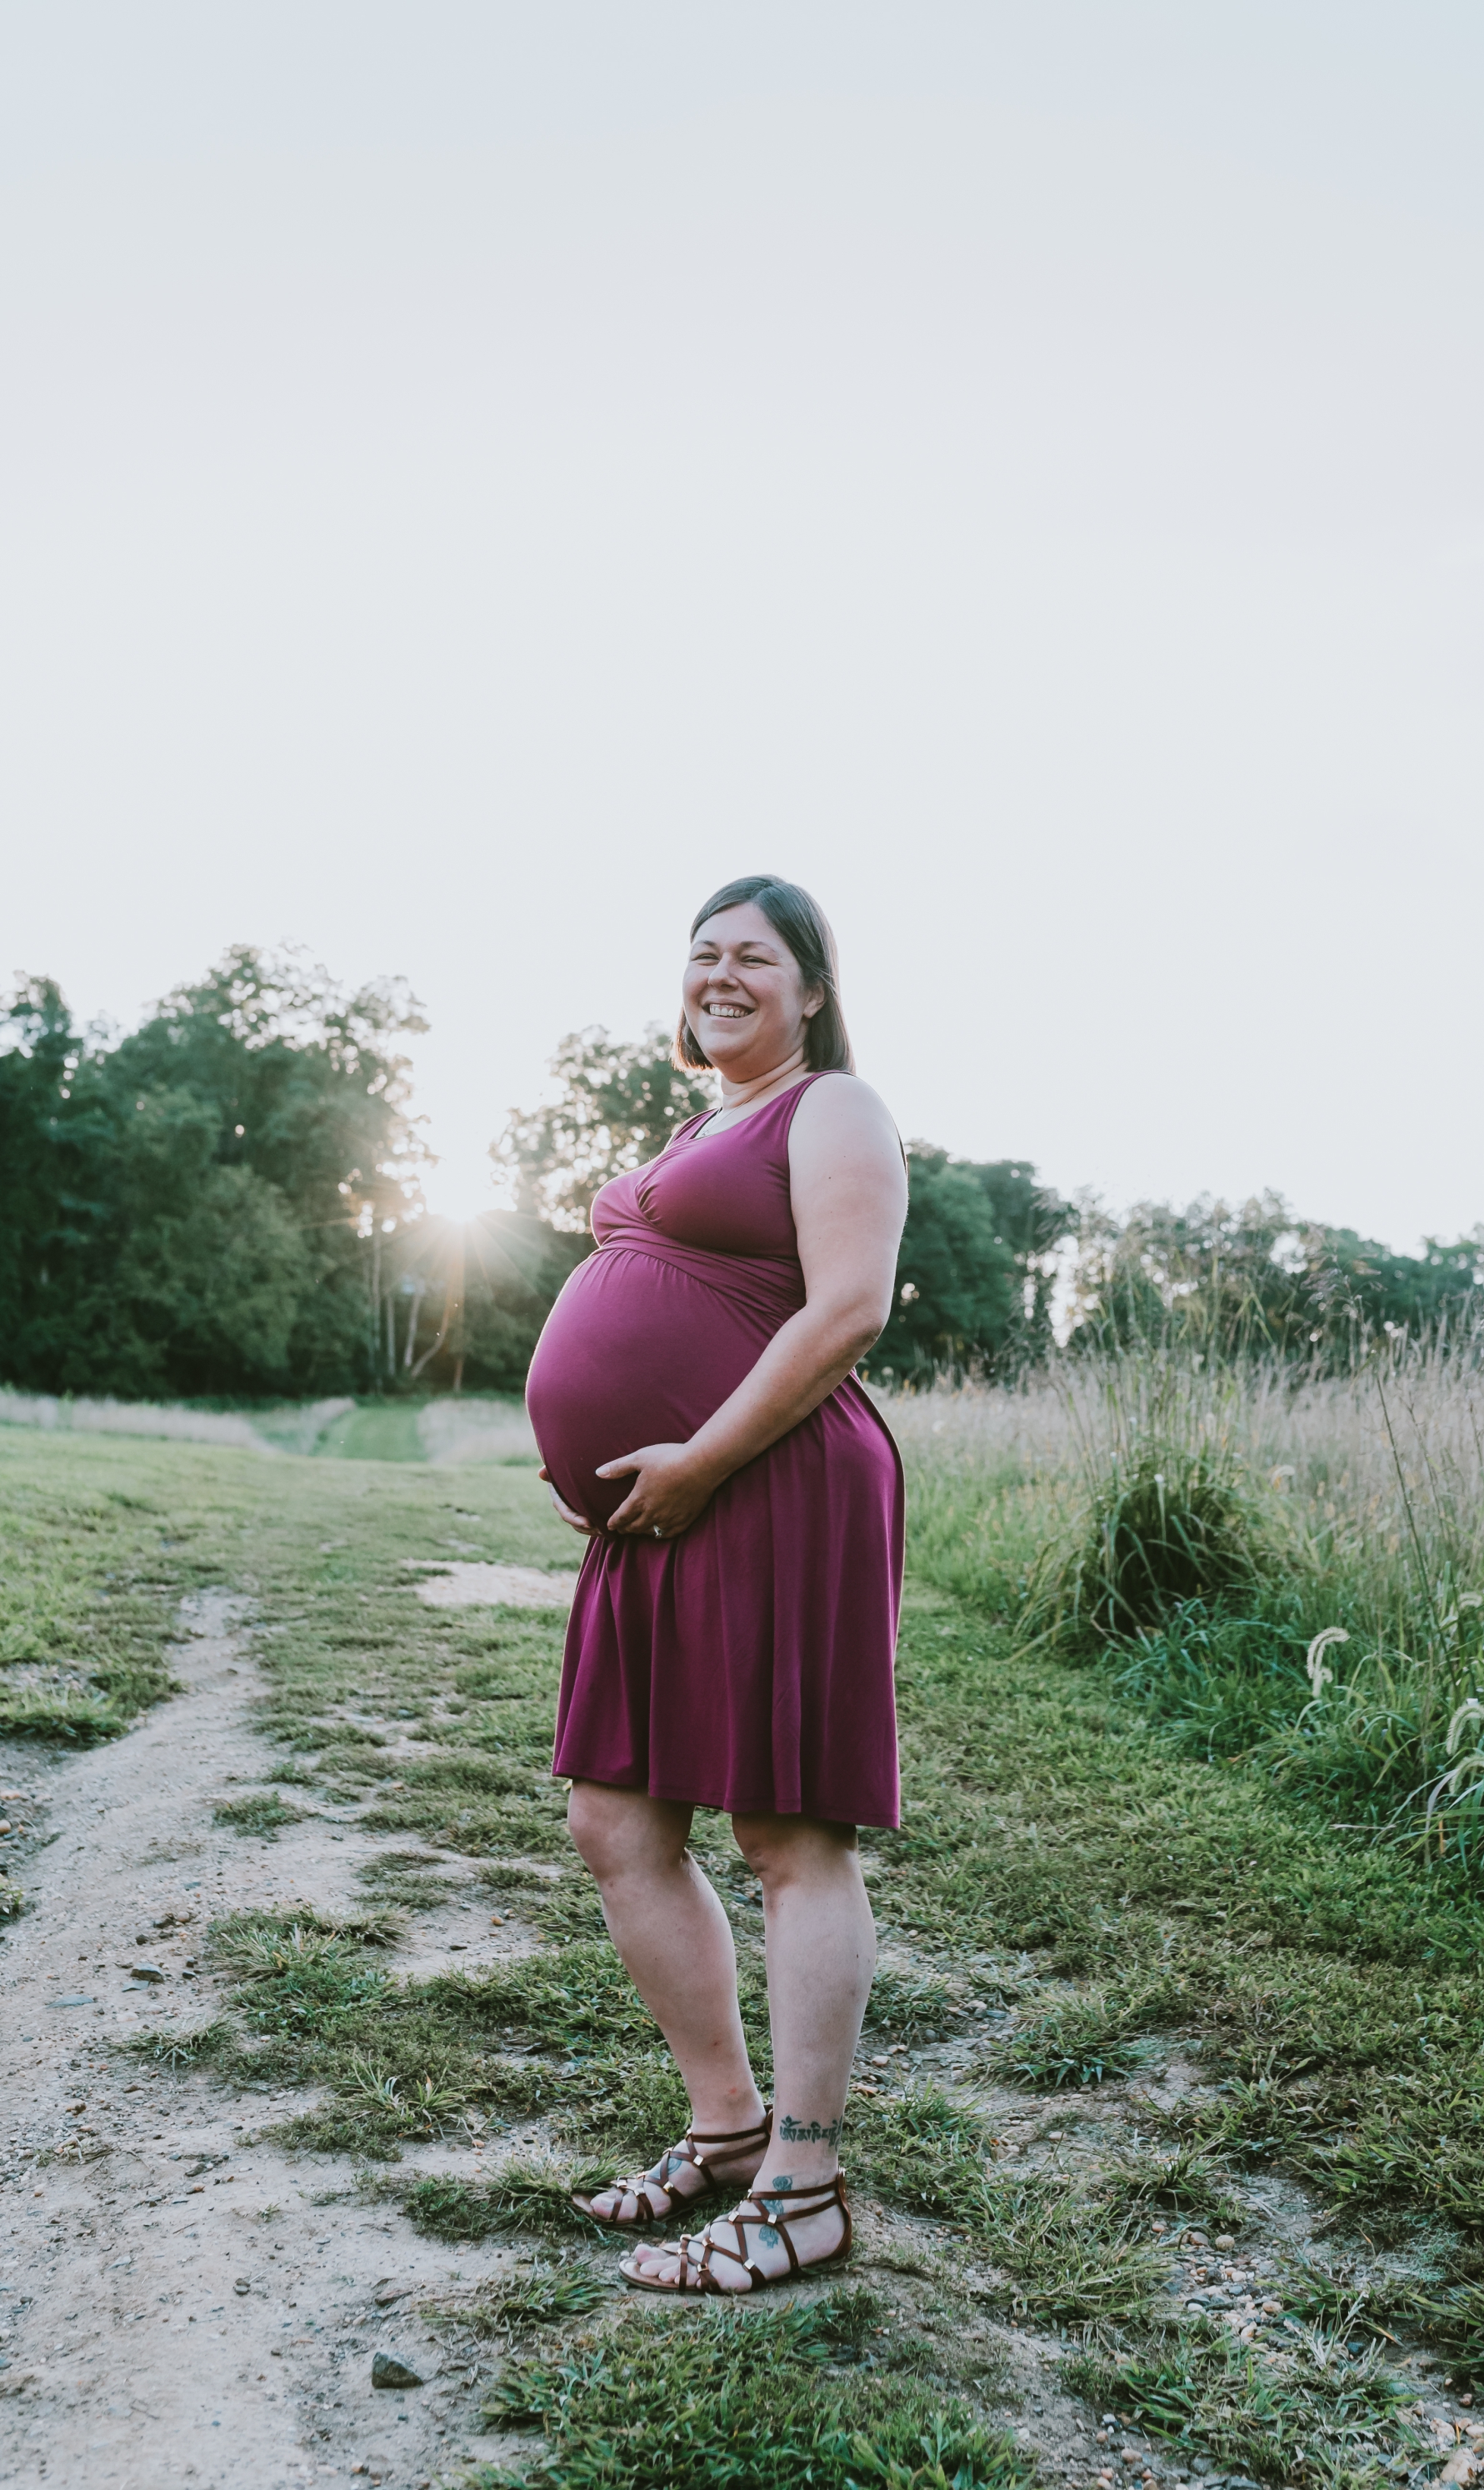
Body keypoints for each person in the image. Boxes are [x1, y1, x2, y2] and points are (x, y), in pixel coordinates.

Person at [524, 874, 907, 2295]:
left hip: (775, 1485)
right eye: (703, 955)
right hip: (660, 1510)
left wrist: (696, 1454)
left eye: (756, 956)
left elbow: (849, 1306)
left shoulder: (834, 1110)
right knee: (617, 1818)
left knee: (788, 1837)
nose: (722, 974)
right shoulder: (705, 1124)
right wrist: (600, 1452)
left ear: (810, 990)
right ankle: (731, 2132)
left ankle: (806, 2186)